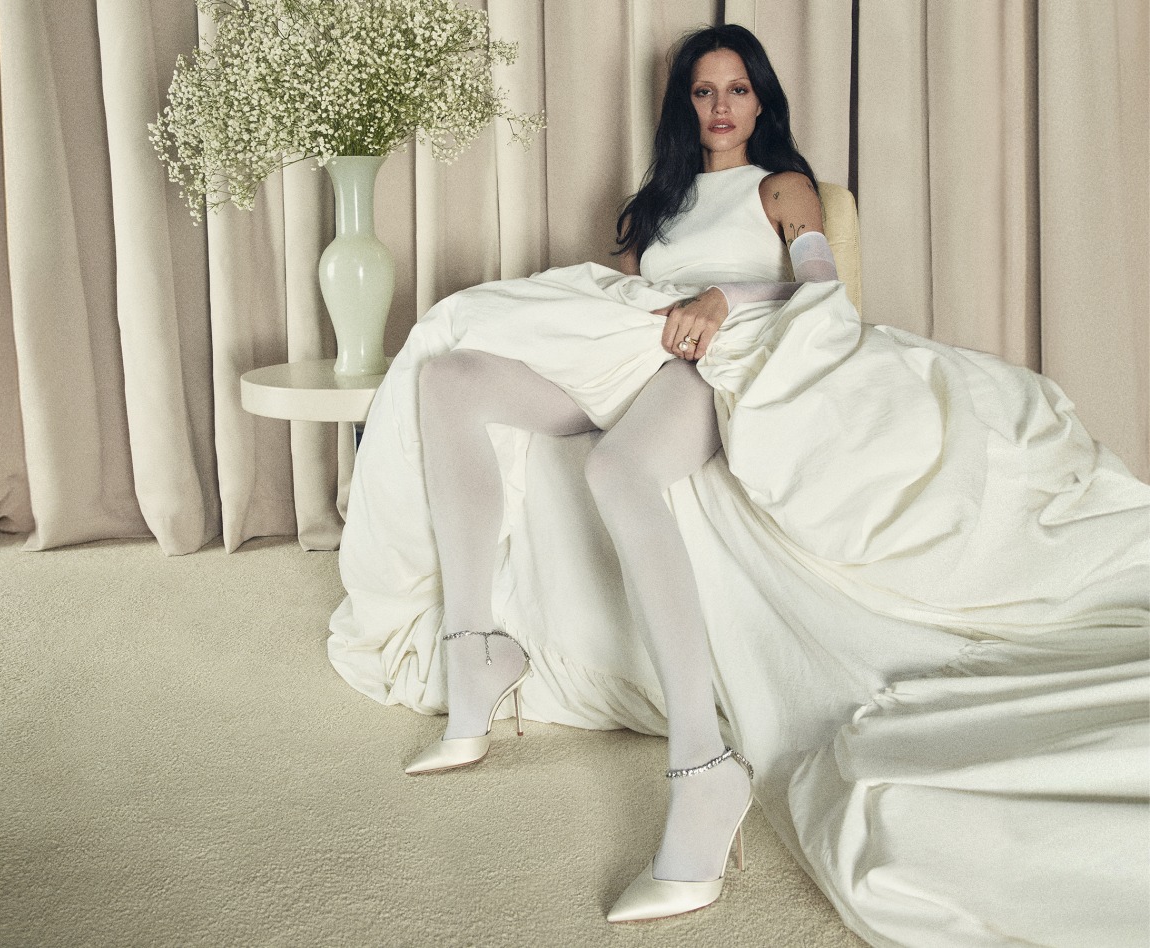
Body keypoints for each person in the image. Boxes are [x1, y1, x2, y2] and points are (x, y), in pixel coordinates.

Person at [328, 23, 1150, 944]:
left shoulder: (782, 187)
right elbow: (612, 297)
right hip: (635, 353)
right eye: (704, 92)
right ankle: (474, 647)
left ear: (763, 101)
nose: (721, 107)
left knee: (619, 471)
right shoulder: (660, 205)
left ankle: (702, 763)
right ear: (686, 106)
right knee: (450, 379)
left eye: (737, 90)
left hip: (719, 363)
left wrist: (722, 299)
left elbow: (818, 291)